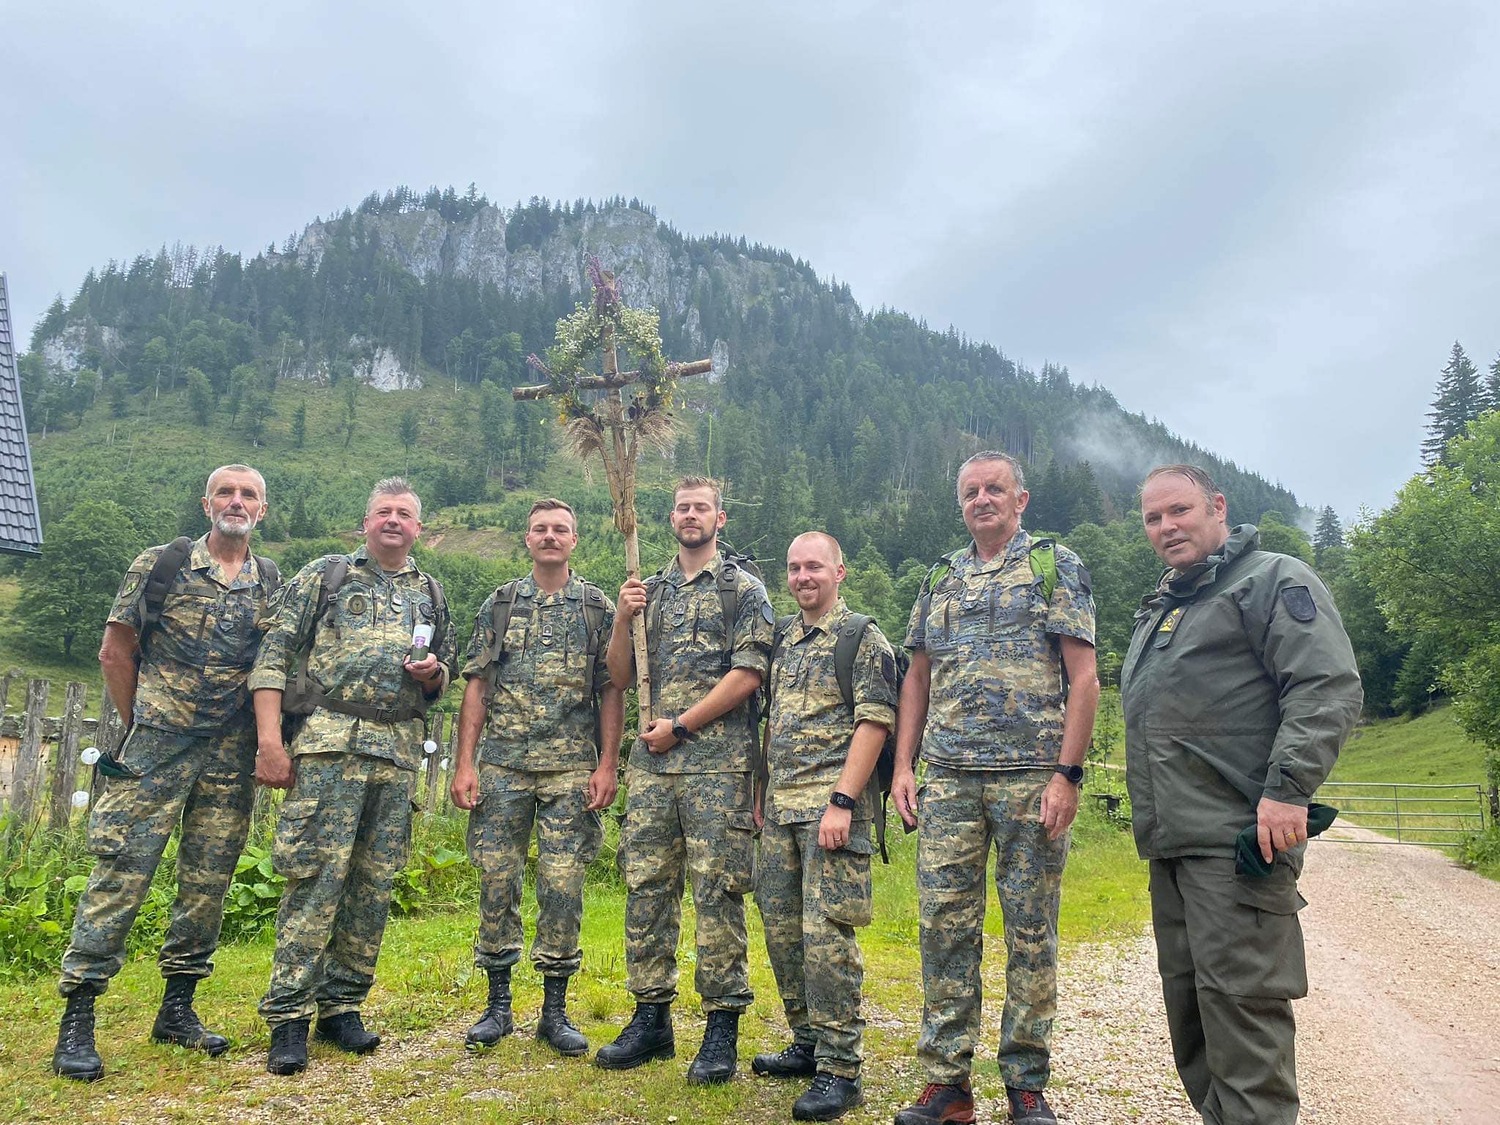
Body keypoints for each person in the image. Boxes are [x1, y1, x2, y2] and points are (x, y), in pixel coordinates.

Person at [1121, 465, 1361, 1125]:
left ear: (1217, 506)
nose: (1167, 526)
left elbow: (1325, 685)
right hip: (1174, 844)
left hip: (1238, 843)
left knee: (1245, 1020)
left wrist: (1288, 788)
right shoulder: (1167, 605)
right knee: (1195, 1023)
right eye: (1153, 518)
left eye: (1179, 510)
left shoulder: (1271, 579)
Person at [890, 450, 1100, 1125]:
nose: (982, 499)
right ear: (961, 504)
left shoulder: (1053, 566)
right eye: (971, 491)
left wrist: (1067, 774)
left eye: (994, 489)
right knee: (943, 930)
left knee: (1031, 933)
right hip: (949, 780)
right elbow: (916, 677)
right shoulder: (940, 577)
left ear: (1021, 499)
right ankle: (947, 1084)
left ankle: (1026, 1085)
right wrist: (903, 766)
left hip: (1031, 778)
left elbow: (1084, 676)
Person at [53, 465, 276, 1082]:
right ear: (207, 504)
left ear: (262, 510)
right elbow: (115, 650)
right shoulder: (161, 565)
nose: (236, 502)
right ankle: (79, 1016)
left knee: (209, 879)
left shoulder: (270, 581)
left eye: (248, 495)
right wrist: (140, 723)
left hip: (228, 754)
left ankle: (177, 1010)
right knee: (121, 872)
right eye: (226, 492)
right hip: (156, 746)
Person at [250, 477, 454, 1076]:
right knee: (314, 879)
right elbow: (273, 655)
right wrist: (269, 742)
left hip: (396, 754)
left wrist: (434, 675)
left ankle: (341, 1006)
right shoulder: (327, 575)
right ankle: (289, 1016)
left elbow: (441, 678)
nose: (393, 521)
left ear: (419, 528)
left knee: (373, 885)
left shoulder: (430, 592)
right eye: (383, 511)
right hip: (329, 745)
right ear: (365, 522)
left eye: (404, 514)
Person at [594, 476, 773, 1084]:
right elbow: (620, 677)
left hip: (716, 767)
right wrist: (623, 619)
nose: (690, 515)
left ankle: (721, 1028)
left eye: (701, 508)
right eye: (681, 508)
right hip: (652, 769)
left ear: (720, 519)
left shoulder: (742, 589)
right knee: (646, 888)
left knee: (717, 893)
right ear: (670, 518)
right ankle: (651, 1019)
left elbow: (748, 673)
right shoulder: (651, 589)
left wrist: (682, 725)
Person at [449, 498, 624, 1056]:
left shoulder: (596, 608)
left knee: (562, 888)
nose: (550, 536)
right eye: (540, 529)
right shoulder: (500, 604)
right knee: (496, 882)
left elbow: (610, 691)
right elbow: (476, 685)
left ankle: (554, 1010)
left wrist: (607, 764)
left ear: (574, 540)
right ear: (527, 539)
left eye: (560, 529)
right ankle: (498, 1006)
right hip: (503, 767)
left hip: (570, 770)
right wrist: (465, 763)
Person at [752, 532, 899, 1121]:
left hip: (831, 812)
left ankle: (841, 1067)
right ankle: (807, 1042)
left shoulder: (861, 637)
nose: (802, 576)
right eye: (794, 567)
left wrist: (842, 800)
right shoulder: (784, 640)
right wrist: (761, 791)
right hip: (780, 809)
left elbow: (875, 722)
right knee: (783, 933)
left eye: (814, 566)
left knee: (827, 939)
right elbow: (774, 722)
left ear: (839, 571)